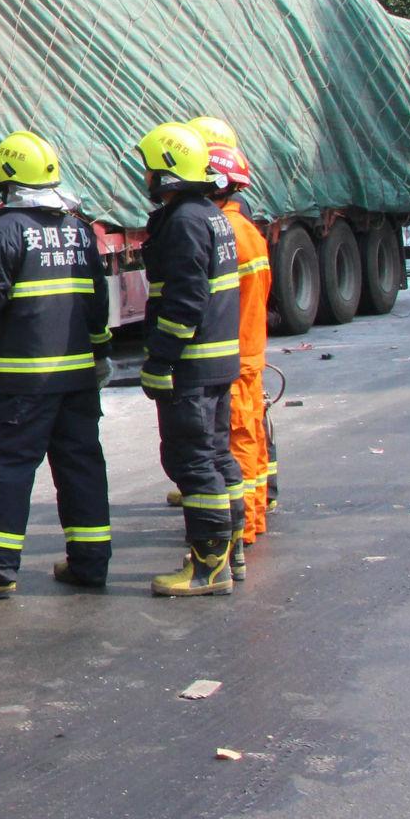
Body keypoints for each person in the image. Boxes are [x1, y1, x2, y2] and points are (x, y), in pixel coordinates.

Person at [0, 131, 114, 600]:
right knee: (81, 465)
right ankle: (91, 564)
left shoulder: (5, 229)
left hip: (24, 382)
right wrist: (99, 355)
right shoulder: (78, 229)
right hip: (77, 379)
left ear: (7, 181)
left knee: (6, 467)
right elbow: (97, 301)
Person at [137, 121, 243, 598]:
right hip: (218, 360)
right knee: (219, 457)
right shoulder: (210, 215)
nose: (145, 177)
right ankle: (231, 553)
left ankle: (209, 567)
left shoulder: (183, 222)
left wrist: (160, 361)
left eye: (150, 170)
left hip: (192, 366)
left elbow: (184, 301)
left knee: (194, 463)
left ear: (167, 173)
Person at [190, 119, 271, 578]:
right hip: (249, 351)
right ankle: (252, 516)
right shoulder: (247, 231)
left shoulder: (227, 235)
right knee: (250, 440)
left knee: (235, 443)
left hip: (234, 355)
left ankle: (243, 528)